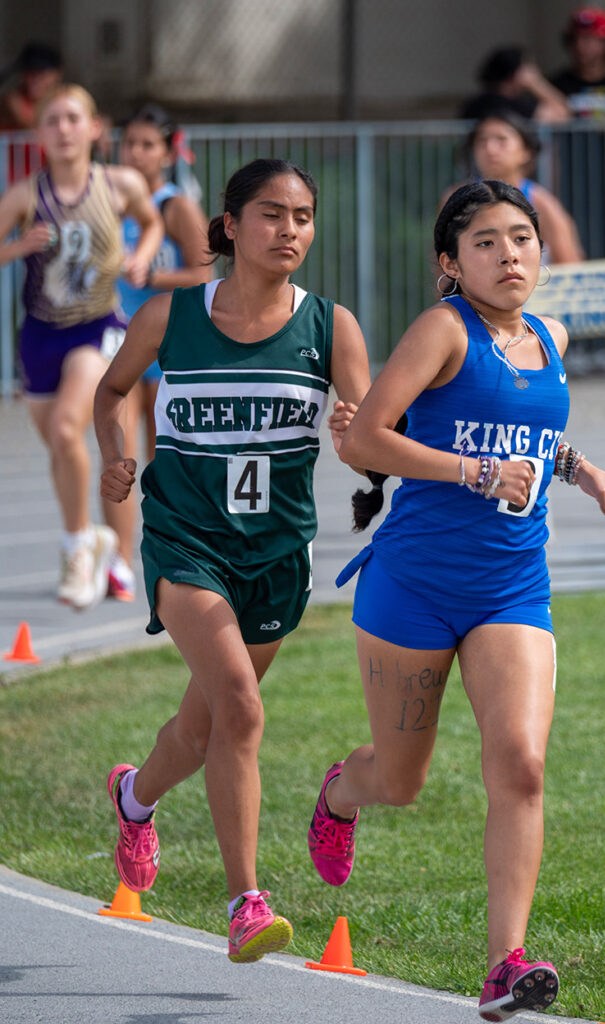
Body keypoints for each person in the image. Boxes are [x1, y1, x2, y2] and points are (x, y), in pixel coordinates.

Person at [307, 180, 605, 1021]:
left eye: (519, 237)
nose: (509, 253)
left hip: (511, 587)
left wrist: (581, 471)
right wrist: (476, 473)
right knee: (400, 781)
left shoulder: (548, 337)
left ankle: (502, 965)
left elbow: (530, 429)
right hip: (412, 585)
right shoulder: (441, 331)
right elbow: (368, 439)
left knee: (520, 765)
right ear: (452, 263)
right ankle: (342, 792)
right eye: (485, 242)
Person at [94, 158, 371, 963]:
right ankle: (246, 902)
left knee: (202, 723)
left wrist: (352, 434)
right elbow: (111, 393)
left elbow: (366, 446)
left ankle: (135, 798)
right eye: (272, 215)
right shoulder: (170, 317)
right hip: (186, 541)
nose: (290, 231)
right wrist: (117, 454)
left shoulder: (330, 327)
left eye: (304, 217)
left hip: (277, 553)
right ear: (231, 224)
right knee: (242, 711)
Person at [0, 83, 162, 609]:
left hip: (98, 327)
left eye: (74, 118)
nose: (64, 129)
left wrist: (144, 257)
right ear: (39, 133)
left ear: (94, 128)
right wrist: (15, 248)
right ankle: (93, 538)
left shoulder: (118, 184)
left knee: (72, 428)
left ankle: (79, 547)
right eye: (53, 120)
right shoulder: (25, 195)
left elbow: (152, 220)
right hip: (41, 334)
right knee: (61, 447)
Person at [118, 103, 212, 465]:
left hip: (166, 340)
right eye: (129, 143)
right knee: (118, 456)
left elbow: (203, 275)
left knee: (163, 456)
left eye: (147, 145)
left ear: (168, 152)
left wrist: (150, 275)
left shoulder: (176, 206)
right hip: (121, 339)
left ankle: (165, 523)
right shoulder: (115, 202)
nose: (135, 153)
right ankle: (118, 525)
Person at [441, 111, 583, 265]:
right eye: (482, 141)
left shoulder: (542, 204)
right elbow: (443, 258)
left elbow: (569, 265)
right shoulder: (457, 199)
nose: (490, 148)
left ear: (526, 151)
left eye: (501, 140)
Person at [0, 42, 63, 181]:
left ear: (57, 74)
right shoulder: (13, 102)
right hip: (12, 187)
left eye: (41, 73)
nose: (34, 79)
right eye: (29, 73)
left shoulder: (62, 103)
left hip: (46, 187)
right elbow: (28, 121)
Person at [460, 46, 569, 125]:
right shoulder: (507, 104)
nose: (535, 71)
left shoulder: (476, 101)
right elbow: (563, 114)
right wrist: (536, 83)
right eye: (529, 67)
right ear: (516, 73)